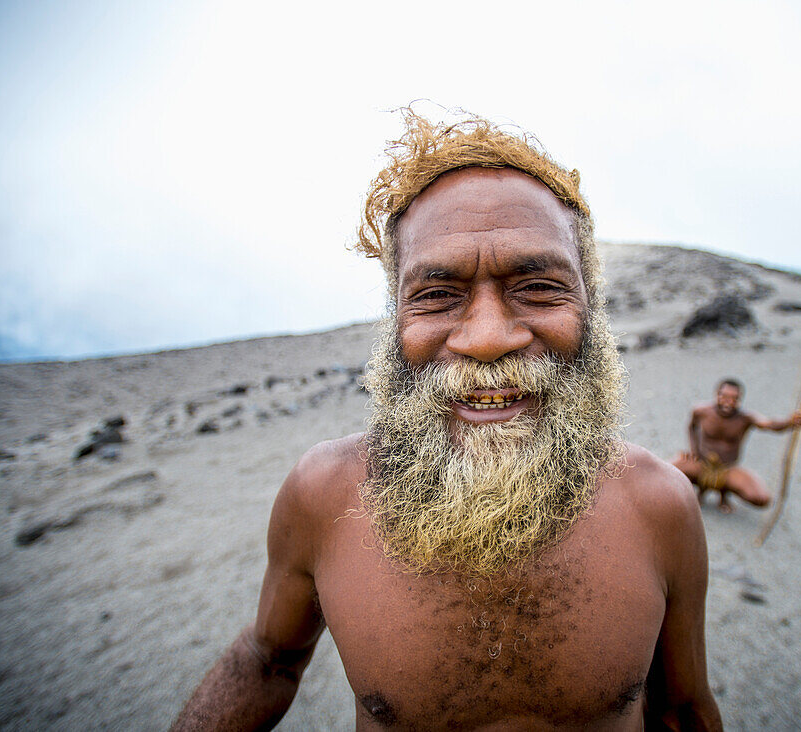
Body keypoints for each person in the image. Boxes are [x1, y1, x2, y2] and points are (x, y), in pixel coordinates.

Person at [172, 109, 722, 731]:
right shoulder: (324, 495)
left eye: (538, 287)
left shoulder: (661, 506)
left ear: (591, 308)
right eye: (437, 295)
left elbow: (681, 709)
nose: (487, 339)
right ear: (395, 320)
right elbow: (267, 662)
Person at [672, 379, 801, 513]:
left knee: (761, 498)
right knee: (667, 473)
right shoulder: (701, 411)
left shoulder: (746, 418)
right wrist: (694, 450)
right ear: (716, 395)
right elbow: (691, 427)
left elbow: (769, 424)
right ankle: (700, 491)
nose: (728, 402)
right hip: (702, 463)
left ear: (740, 399)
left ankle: (724, 495)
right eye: (724, 396)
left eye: (734, 399)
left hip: (728, 468)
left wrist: (790, 422)